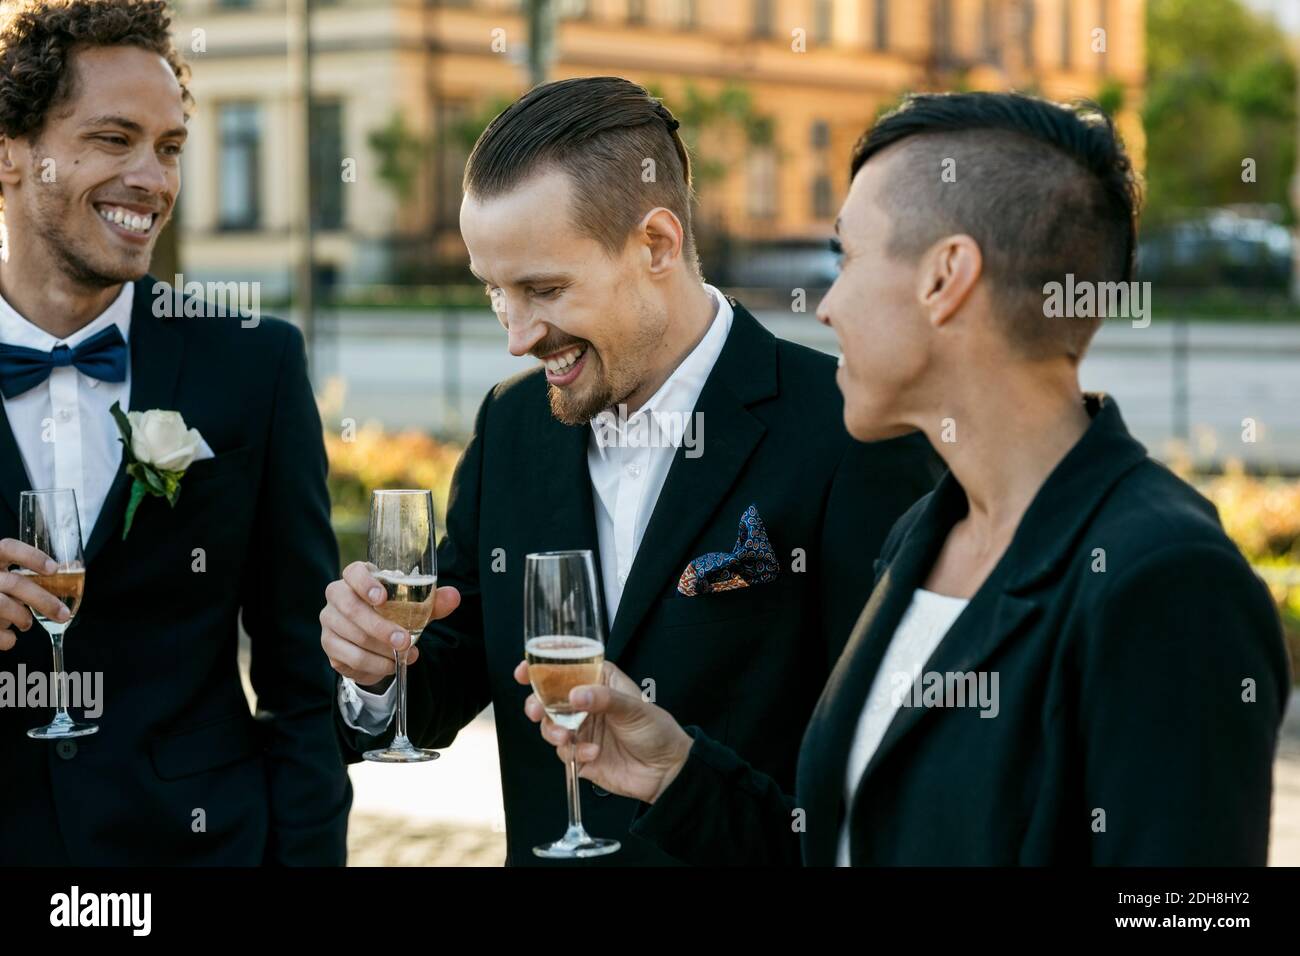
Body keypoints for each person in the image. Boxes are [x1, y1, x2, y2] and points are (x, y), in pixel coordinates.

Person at [521, 91, 1292, 866]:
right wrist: (680, 775)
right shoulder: (921, 537)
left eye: (848, 258)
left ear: (945, 277)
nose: (826, 307)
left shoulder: (1164, 579)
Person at [320, 76, 942, 865]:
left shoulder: (850, 429)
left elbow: (892, 792)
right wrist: (375, 670)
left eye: (543, 289)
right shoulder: (510, 425)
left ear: (656, 243)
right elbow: (456, 658)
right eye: (494, 294)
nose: (517, 335)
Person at [0, 0, 349, 865]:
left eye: (169, 148)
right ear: (11, 154)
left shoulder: (254, 362)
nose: (152, 180)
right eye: (114, 140)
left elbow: (303, 683)